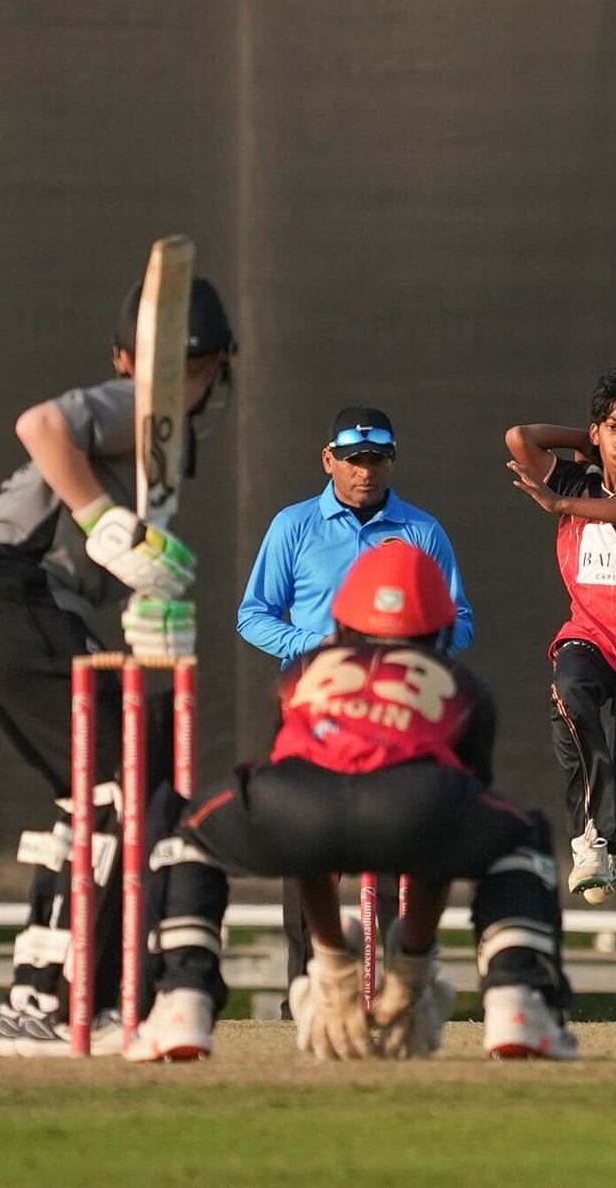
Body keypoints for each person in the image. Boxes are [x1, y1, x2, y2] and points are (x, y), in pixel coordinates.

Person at [0, 273, 236, 1055]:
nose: (182, 387)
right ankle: (57, 1004)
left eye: (191, 370)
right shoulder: (134, 404)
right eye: (179, 369)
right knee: (122, 782)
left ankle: (47, 996)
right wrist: (102, 521)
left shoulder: (164, 433)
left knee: (106, 788)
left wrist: (140, 591)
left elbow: (105, 559)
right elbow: (40, 426)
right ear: (129, 364)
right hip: (3, 590)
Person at [127, 542, 577, 1063]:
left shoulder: (299, 674)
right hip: (415, 806)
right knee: (521, 837)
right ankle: (516, 1001)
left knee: (189, 833)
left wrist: (332, 959)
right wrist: (410, 965)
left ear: (341, 620)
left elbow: (306, 849)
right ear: (439, 628)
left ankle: (183, 1001)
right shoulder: (463, 686)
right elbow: (442, 848)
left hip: (295, 803)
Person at [236, 406, 474, 1009]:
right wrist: (314, 646)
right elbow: (253, 614)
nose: (365, 471)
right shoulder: (293, 526)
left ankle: (397, 993)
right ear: (330, 460)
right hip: (317, 704)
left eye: (376, 459)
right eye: (353, 460)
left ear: (392, 460)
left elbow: (461, 620)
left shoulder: (421, 531)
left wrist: (410, 647)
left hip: (396, 706)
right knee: (308, 840)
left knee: (396, 839)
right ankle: (306, 990)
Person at [505, 364, 616, 904]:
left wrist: (561, 504)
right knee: (571, 693)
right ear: (597, 430)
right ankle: (589, 838)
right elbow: (521, 438)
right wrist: (591, 440)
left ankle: (611, 834)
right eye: (613, 426)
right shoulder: (581, 474)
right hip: (590, 634)